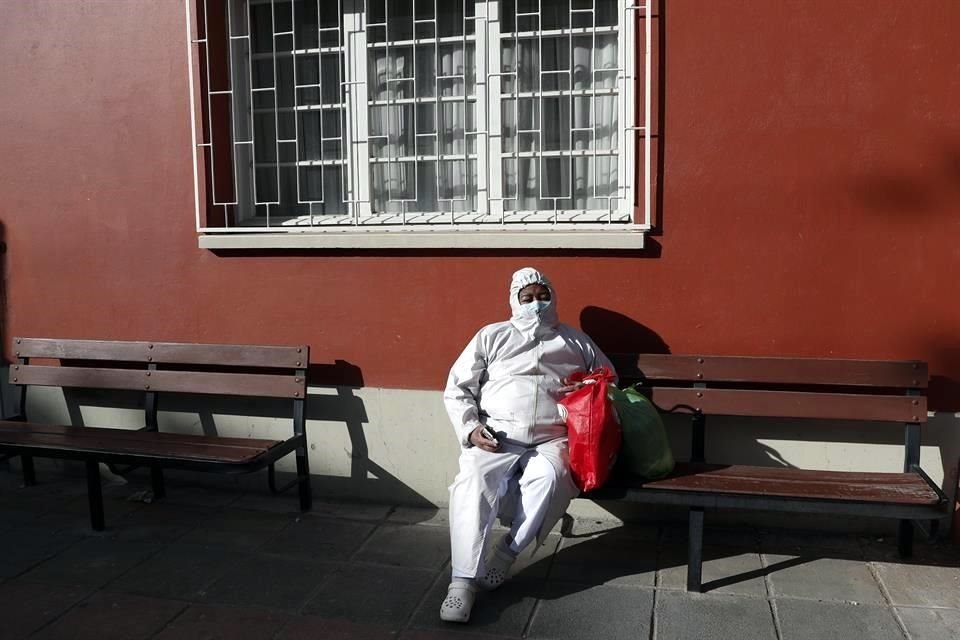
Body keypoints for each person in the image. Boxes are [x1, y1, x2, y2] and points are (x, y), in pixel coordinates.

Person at [440, 267, 616, 623]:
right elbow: (458, 387)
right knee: (472, 484)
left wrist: (586, 386)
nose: (536, 304)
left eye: (542, 296)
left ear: (553, 297)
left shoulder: (575, 340)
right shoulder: (492, 336)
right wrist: (471, 429)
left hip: (553, 437)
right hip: (498, 436)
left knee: (551, 481)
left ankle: (505, 556)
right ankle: (461, 582)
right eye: (527, 297)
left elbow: (608, 378)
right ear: (514, 300)